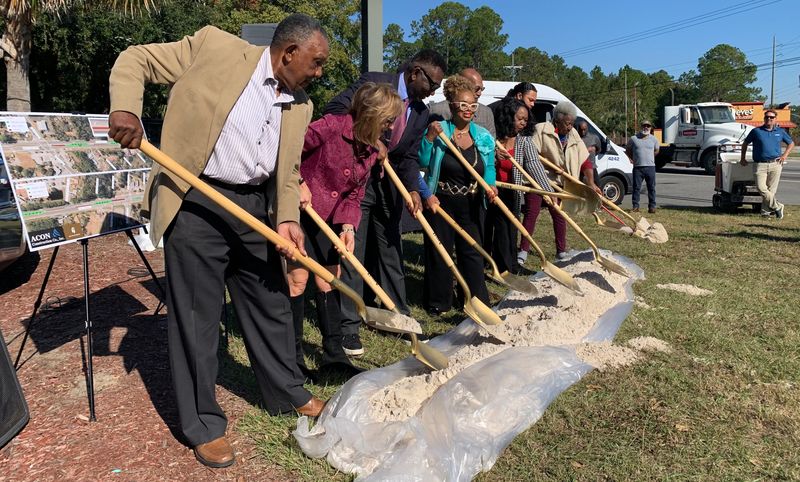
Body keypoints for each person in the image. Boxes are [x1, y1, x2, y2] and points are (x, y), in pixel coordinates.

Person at [107, 14, 329, 469]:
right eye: (317, 62)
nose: (319, 72)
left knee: (270, 304)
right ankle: (204, 424)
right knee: (197, 317)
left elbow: (286, 173)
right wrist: (126, 109)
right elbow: (135, 59)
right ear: (289, 53)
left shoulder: (301, 104)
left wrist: (287, 219)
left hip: (253, 208)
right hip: (196, 199)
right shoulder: (215, 47)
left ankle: (286, 391)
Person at [323, 49, 446, 356]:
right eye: (432, 83)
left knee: (392, 251)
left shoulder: (419, 112)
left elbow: (407, 157)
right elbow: (335, 109)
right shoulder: (375, 82)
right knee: (354, 253)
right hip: (357, 182)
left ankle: (399, 316)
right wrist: (368, 136)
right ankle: (349, 326)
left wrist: (413, 189)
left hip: (389, 187)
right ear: (416, 72)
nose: (434, 92)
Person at [286, 83, 402, 379]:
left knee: (330, 281)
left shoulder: (371, 150)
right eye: (387, 121)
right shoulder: (331, 126)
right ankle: (294, 358)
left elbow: (355, 194)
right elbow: (288, 151)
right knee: (298, 280)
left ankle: (334, 355)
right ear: (371, 114)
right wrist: (297, 181)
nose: (389, 129)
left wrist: (348, 226)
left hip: (331, 220)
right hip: (299, 212)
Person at [418, 74, 496, 314]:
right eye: (463, 105)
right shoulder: (440, 132)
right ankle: (438, 301)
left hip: (471, 201)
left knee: (471, 251)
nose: (469, 110)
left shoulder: (482, 136)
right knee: (439, 251)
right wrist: (429, 139)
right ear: (452, 104)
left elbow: (489, 166)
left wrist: (491, 185)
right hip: (441, 200)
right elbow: (422, 161)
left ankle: (476, 300)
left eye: (473, 105)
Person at [485, 98, 529, 273]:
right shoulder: (492, 138)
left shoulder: (523, 141)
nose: (523, 123)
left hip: (512, 189)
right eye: (520, 119)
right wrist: (495, 156)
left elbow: (534, 166)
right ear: (509, 117)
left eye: (525, 120)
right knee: (492, 227)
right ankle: (492, 262)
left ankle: (509, 264)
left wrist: (546, 192)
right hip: (492, 188)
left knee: (509, 227)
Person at [740, 109, 795, 219]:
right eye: (767, 117)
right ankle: (778, 206)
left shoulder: (780, 131)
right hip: (760, 164)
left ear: (775, 119)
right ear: (764, 118)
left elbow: (791, 143)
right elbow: (745, 143)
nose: (769, 119)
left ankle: (765, 213)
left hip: (776, 164)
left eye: (771, 117)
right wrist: (743, 158)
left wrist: (784, 156)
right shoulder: (756, 131)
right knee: (761, 188)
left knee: (771, 190)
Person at [428, 67, 496, 136]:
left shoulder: (486, 113)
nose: (479, 93)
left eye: (482, 89)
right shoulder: (436, 110)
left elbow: (492, 143)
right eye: (477, 88)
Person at [625, 120, 660, 213]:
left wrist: (650, 157)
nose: (646, 127)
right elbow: (627, 149)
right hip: (638, 167)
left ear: (650, 128)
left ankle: (652, 207)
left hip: (650, 167)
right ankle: (635, 206)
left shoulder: (654, 139)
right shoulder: (634, 139)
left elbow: (656, 150)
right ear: (641, 127)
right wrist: (631, 158)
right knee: (636, 188)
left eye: (648, 126)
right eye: (644, 126)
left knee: (651, 188)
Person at [578, 120, 602, 185]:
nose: (582, 132)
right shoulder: (576, 139)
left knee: (597, 187)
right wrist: (587, 150)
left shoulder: (594, 138)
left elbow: (598, 150)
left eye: (584, 130)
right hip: (580, 168)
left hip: (592, 167)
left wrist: (591, 154)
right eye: (581, 130)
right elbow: (575, 153)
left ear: (587, 128)